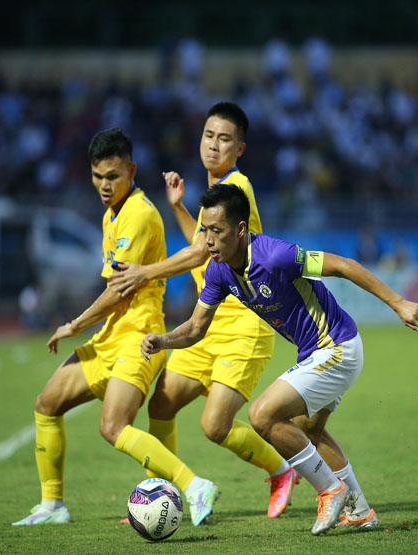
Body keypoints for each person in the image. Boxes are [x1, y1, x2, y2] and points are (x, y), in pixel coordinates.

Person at [140, 184, 418, 535]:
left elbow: (343, 265)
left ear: (240, 230)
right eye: (204, 230)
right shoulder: (218, 271)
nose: (208, 240)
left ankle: (330, 490)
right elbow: (196, 327)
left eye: (216, 231)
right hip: (316, 352)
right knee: (309, 431)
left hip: (337, 346)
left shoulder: (275, 255)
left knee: (262, 414)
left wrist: (399, 303)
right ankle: (359, 510)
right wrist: (165, 341)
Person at [12, 128, 218, 527]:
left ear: (132, 171)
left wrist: (73, 324)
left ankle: (194, 486)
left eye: (112, 176)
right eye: (97, 176)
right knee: (47, 404)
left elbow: (119, 291)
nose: (104, 186)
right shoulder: (113, 214)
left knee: (112, 427)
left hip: (139, 338)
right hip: (111, 337)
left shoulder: (139, 214)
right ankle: (52, 506)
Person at [109, 102, 297, 519]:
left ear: (240, 148)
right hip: (204, 322)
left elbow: (197, 253)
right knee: (161, 406)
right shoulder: (216, 192)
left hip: (244, 323)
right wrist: (179, 208)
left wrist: (145, 273)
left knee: (214, 427)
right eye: (209, 135)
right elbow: (206, 242)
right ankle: (168, 494)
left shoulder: (239, 187)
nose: (213, 145)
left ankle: (282, 469)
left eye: (224, 138)